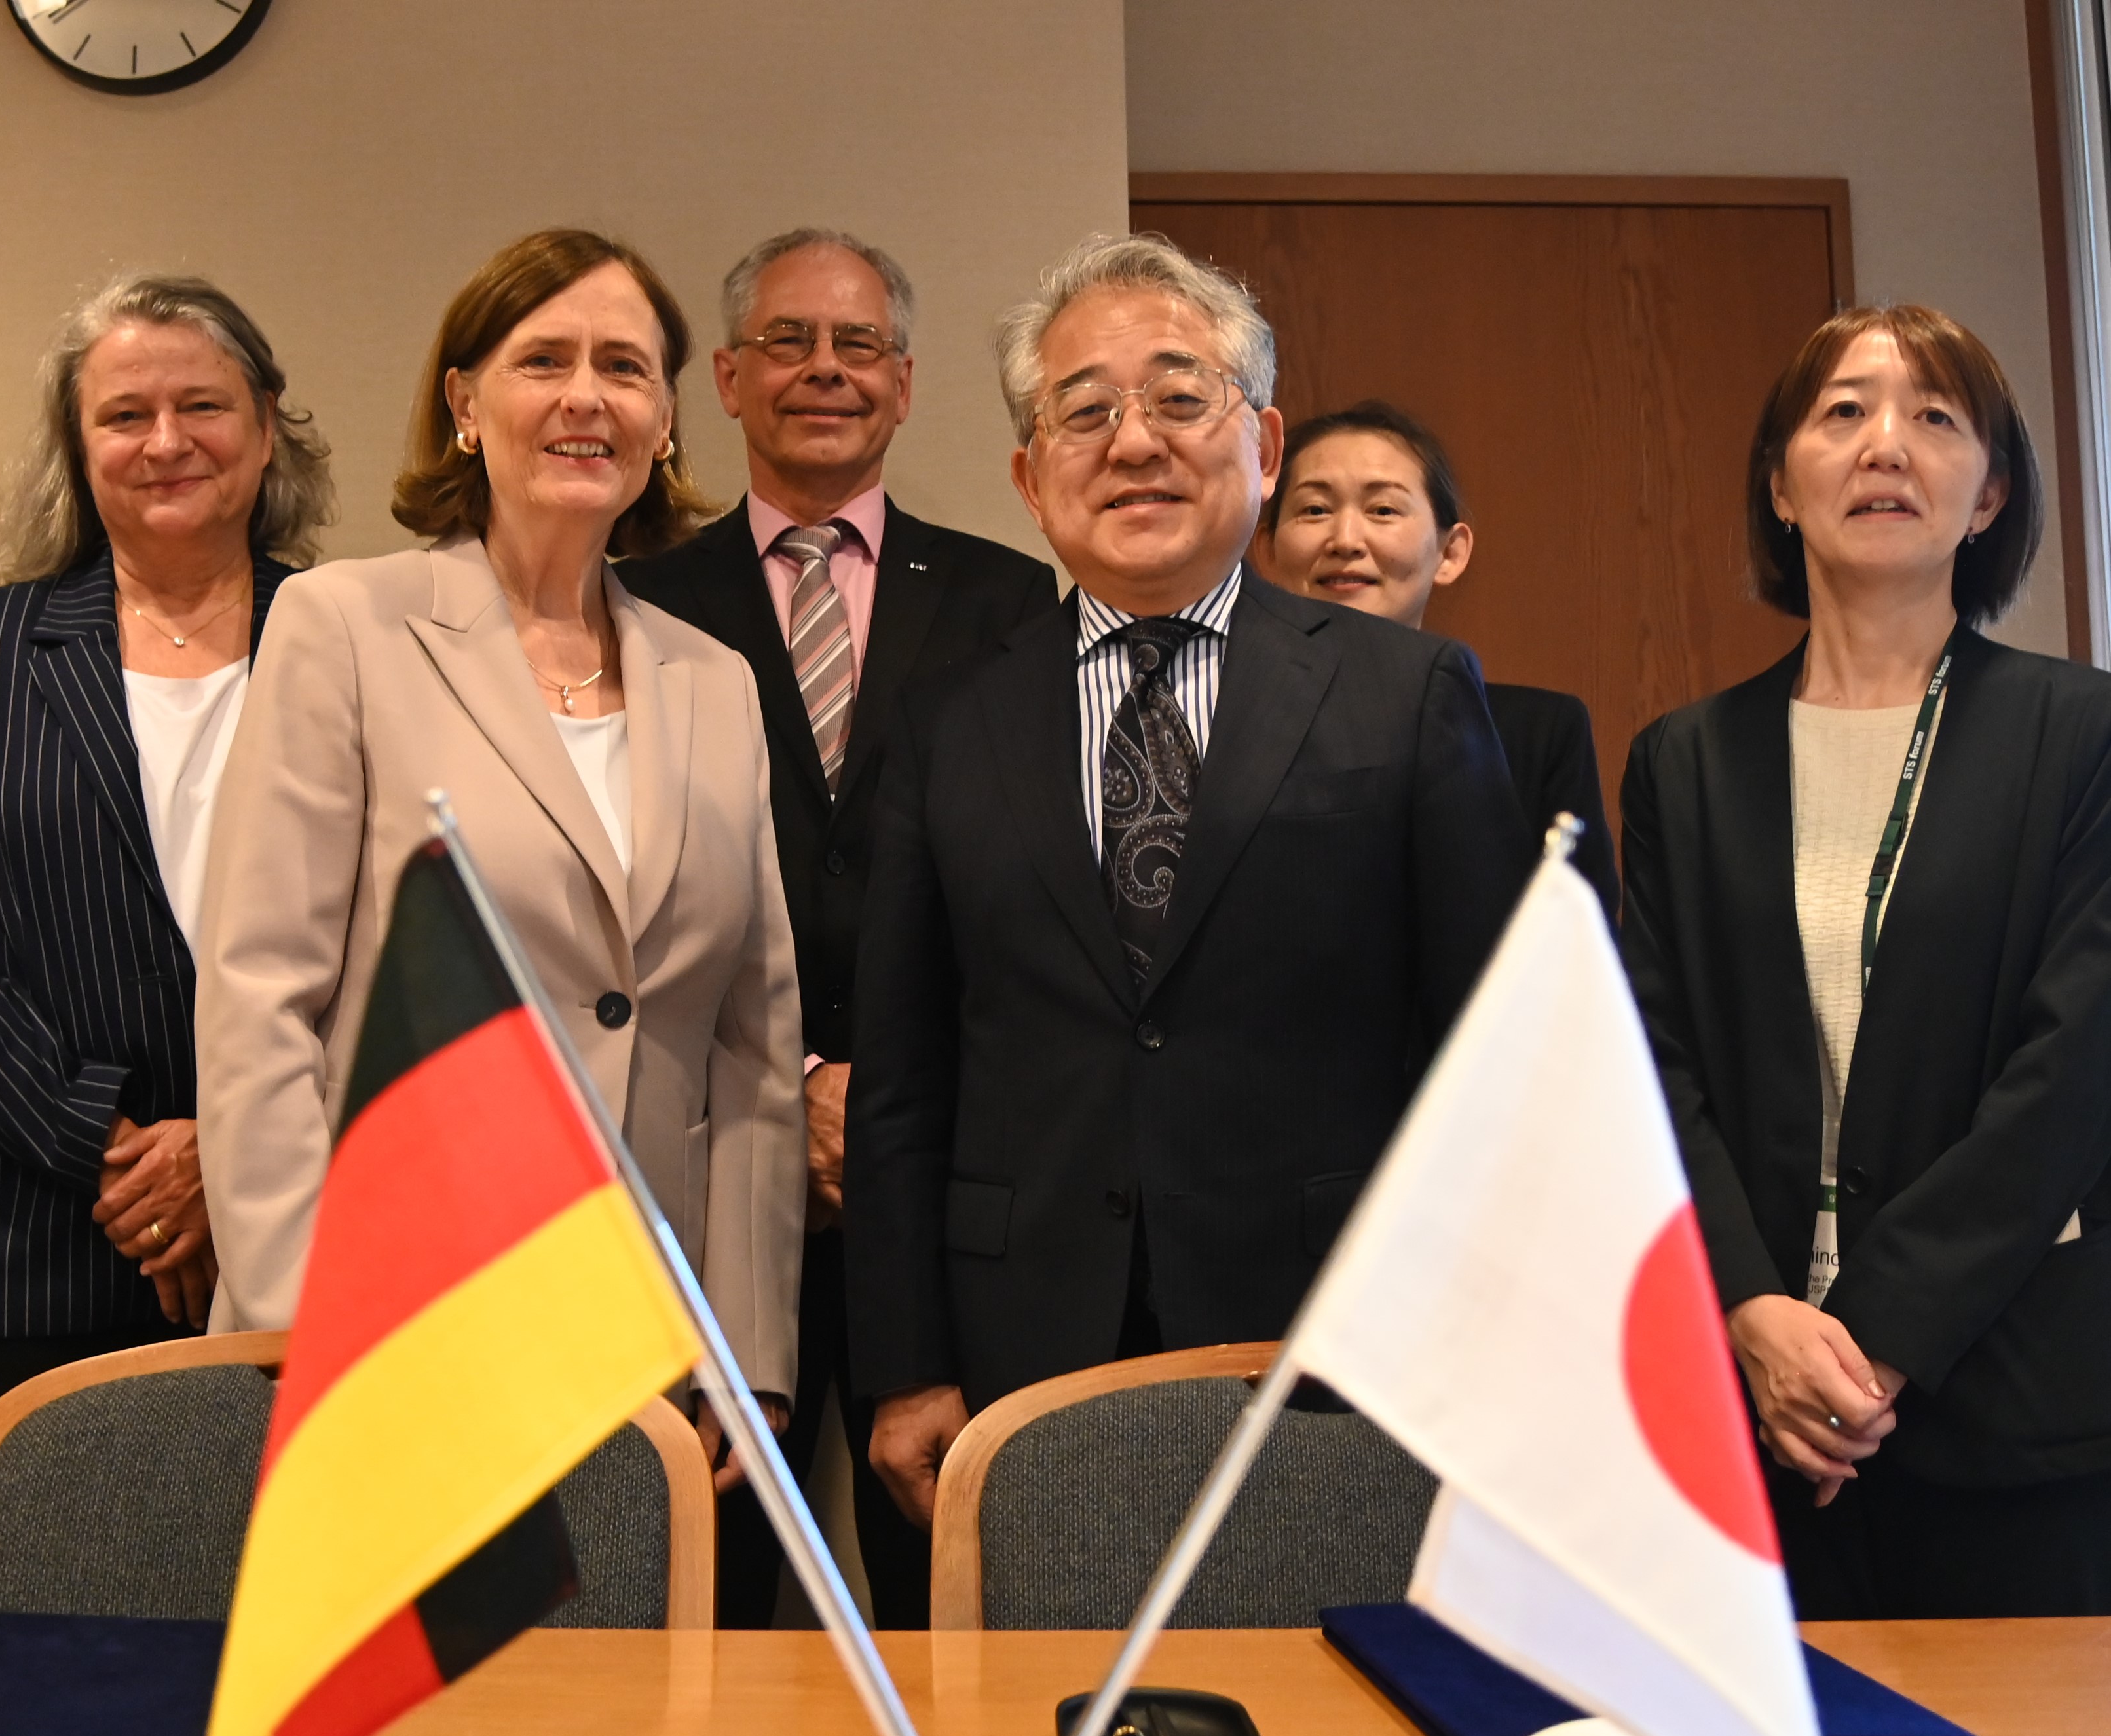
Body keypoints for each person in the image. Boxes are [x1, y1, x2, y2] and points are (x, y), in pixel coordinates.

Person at [846, 232, 1529, 1532]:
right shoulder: (950, 722)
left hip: (1334, 1339)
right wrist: (903, 1360)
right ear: (1026, 474)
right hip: (1020, 1338)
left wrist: (1482, 1344)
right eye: (1082, 412)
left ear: (1262, 444)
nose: (1132, 443)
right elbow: (903, 1077)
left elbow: (1488, 1052)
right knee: (1037, 1718)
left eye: (1177, 398)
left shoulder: (1403, 693)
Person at [196, 228, 803, 1488]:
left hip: (649, 1360)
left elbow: (753, 1051)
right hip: (392, 1337)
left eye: (627, 368)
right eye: (545, 360)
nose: (589, 397)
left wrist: (746, 1355)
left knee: (636, 1693)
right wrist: (305, 1328)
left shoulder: (720, 682)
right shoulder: (342, 626)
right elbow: (261, 1003)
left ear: (668, 421)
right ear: (466, 403)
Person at [1624, 303, 2111, 1618]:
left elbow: (2074, 1072)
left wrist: (1877, 1337)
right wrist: (1748, 1307)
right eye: (1840, 414)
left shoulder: (2078, 736)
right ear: (1780, 485)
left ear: (1988, 492)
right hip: (1746, 1403)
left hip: (2007, 1394)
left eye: (1932, 419)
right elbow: (1650, 1067)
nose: (1883, 446)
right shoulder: (1684, 762)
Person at [0, 273, 330, 1598]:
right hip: (12, 1254)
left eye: (202, 405)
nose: (166, 440)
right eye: (124, 413)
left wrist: (225, 1154)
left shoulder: (360, 637)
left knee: (273, 1685)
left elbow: (414, 942)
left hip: (296, 1248)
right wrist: (114, 1149)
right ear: (77, 442)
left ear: (267, 424)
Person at [619, 229, 1057, 1627]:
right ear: (730, 380)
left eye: (856, 345)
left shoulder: (1003, 600)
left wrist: (879, 1094)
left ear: (907, 383)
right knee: (718, 1588)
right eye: (790, 344)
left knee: (953, 1581)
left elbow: (1016, 885)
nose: (825, 370)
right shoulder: (637, 603)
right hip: (714, 1162)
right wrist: (799, 1082)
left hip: (931, 1176)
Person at [1265, 401, 1618, 917]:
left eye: (1383, 510)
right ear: (1266, 551)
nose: (1345, 540)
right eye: (1315, 510)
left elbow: (1575, 961)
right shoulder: (1223, 723)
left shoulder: (1540, 734)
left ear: (1450, 553)